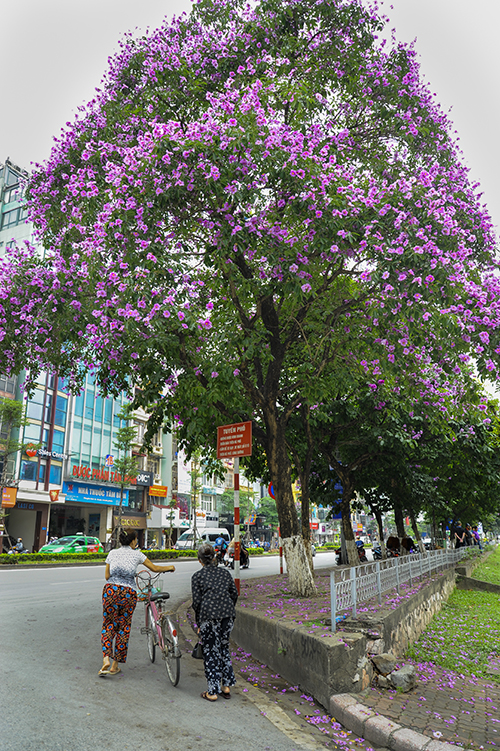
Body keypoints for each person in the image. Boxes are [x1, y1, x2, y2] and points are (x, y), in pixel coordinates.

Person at [99, 529, 175, 677]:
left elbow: (107, 575)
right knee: (124, 627)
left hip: (110, 591)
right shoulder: (137, 554)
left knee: (108, 624)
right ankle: (115, 666)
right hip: (128, 593)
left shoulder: (112, 553)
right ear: (133, 540)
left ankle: (106, 659)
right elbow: (154, 568)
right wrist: (170, 568)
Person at [191, 543, 238, 702]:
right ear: (214, 557)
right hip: (227, 616)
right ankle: (226, 686)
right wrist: (227, 609)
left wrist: (199, 624)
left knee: (210, 652)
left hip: (208, 617)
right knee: (224, 647)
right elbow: (234, 594)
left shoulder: (197, 576)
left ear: (200, 560)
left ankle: (212, 691)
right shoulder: (225, 574)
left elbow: (197, 603)